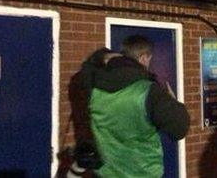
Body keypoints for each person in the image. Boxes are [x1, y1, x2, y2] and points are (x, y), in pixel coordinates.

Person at [74, 35, 190, 178]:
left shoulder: (94, 86)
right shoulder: (150, 91)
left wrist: (105, 55)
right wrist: (175, 103)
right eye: (149, 59)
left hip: (105, 174)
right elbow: (179, 129)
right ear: (143, 58)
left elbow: (87, 66)